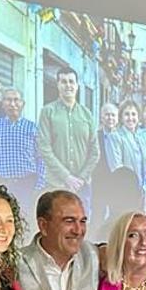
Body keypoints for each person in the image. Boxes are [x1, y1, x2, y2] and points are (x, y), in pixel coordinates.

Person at [38, 66, 99, 204]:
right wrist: (66, 177)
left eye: (71, 82)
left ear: (77, 86)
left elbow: (95, 151)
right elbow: (44, 148)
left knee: (82, 224)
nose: (68, 85)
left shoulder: (87, 114)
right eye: (63, 82)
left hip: (82, 187)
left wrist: (81, 178)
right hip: (55, 185)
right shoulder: (48, 112)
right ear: (58, 85)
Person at [0, 88, 44, 210]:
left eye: (16, 100)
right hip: (1, 184)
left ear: (22, 104)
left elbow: (41, 158)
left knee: (25, 219)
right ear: (2, 104)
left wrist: (39, 184)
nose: (12, 104)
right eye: (8, 100)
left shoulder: (32, 127)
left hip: (27, 184)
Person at [114, 98, 146, 182]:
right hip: (126, 188)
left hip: (142, 189)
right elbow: (116, 167)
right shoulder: (116, 137)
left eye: (133, 114)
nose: (130, 118)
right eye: (127, 114)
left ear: (138, 117)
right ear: (121, 118)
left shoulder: (141, 139)